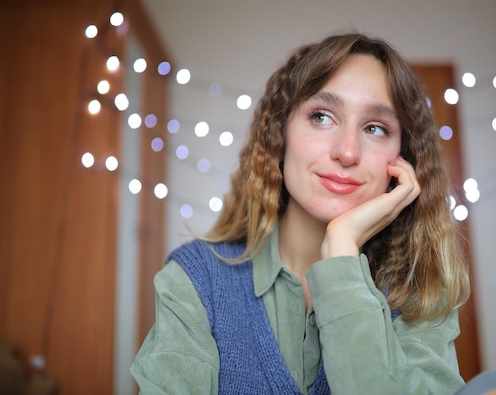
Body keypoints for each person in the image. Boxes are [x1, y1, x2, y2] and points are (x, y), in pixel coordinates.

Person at [131, 32, 472, 394]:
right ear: (281, 133)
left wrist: (340, 251)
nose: (347, 151)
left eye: (375, 128)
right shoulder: (194, 281)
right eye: (322, 116)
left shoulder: (419, 292)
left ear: (402, 159)